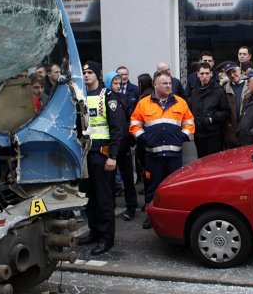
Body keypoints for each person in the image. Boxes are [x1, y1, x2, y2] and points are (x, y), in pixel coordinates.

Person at [130, 70, 195, 229]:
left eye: (170, 83)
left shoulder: (180, 102)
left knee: (173, 189)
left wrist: (182, 137)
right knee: (152, 188)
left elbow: (190, 123)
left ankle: (172, 219)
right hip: (153, 156)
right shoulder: (143, 103)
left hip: (174, 156)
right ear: (155, 85)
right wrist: (144, 139)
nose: (168, 86)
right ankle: (150, 217)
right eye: (164, 83)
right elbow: (134, 125)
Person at [79, 61, 126, 255]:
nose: (86, 75)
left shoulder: (107, 96)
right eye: (84, 72)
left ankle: (107, 239)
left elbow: (117, 129)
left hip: (102, 154)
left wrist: (113, 156)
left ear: (97, 75)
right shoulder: (79, 96)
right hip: (84, 155)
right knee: (89, 197)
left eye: (89, 72)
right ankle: (94, 232)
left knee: (104, 199)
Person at [104, 71, 139, 220]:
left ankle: (131, 207)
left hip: (123, 144)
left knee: (128, 178)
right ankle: (109, 207)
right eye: (115, 83)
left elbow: (129, 119)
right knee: (108, 180)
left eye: (120, 83)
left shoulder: (124, 98)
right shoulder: (103, 98)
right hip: (109, 145)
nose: (118, 86)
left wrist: (130, 139)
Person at [188, 62, 230, 158]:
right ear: (197, 74)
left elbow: (226, 112)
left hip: (214, 136)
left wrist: (213, 118)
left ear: (211, 74)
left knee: (214, 163)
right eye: (202, 73)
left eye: (207, 73)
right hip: (198, 135)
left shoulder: (219, 91)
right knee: (201, 163)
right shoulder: (194, 91)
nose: (204, 76)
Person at [222, 61, 250, 148]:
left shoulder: (250, 85)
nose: (232, 75)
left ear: (240, 70)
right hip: (232, 131)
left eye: (234, 71)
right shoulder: (224, 89)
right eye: (229, 73)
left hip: (248, 129)